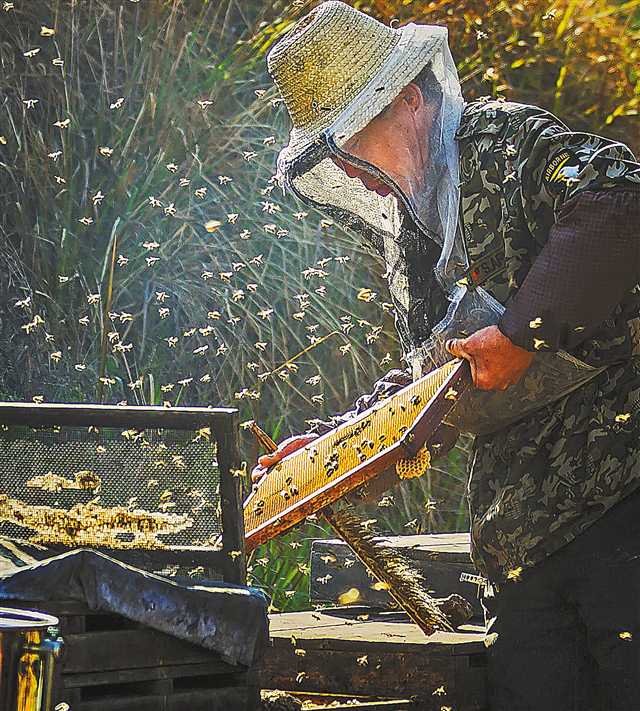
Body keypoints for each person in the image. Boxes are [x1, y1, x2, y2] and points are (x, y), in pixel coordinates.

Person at [251, 2, 640, 708]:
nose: (350, 168)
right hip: (517, 541)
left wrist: (523, 333)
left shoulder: (503, 141)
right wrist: (332, 452)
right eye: (333, 153)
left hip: (619, 506)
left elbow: (618, 197)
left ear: (406, 97)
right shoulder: (413, 229)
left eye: (350, 140)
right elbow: (434, 377)